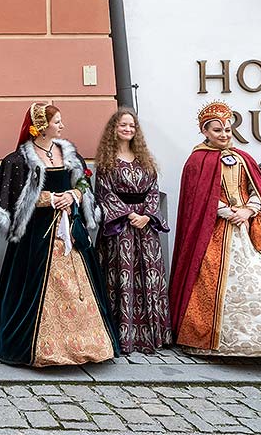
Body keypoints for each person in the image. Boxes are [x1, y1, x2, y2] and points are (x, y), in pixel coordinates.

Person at [0, 102, 119, 366]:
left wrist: (73, 195)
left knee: (80, 285)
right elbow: (12, 199)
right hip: (36, 237)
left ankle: (88, 344)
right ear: (42, 127)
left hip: (70, 229)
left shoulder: (68, 154)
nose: (62, 126)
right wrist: (47, 198)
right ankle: (41, 347)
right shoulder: (19, 160)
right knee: (34, 290)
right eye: (57, 121)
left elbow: (83, 183)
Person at [169, 101, 261, 355]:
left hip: (246, 228)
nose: (224, 134)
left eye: (227, 129)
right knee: (207, 280)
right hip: (214, 231)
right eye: (217, 130)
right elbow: (198, 198)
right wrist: (227, 212)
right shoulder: (197, 160)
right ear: (205, 132)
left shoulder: (243, 158)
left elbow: (256, 189)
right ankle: (212, 340)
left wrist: (249, 210)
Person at [94, 108, 171, 354]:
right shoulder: (106, 162)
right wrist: (128, 214)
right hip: (120, 230)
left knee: (150, 276)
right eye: (123, 125)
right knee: (122, 277)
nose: (128, 129)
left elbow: (153, 190)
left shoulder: (144, 159)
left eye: (132, 126)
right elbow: (104, 193)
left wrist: (147, 215)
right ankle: (123, 335)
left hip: (145, 228)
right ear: (113, 130)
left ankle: (151, 335)